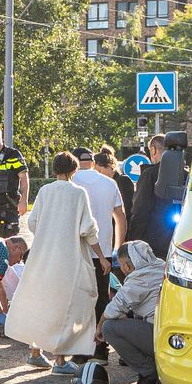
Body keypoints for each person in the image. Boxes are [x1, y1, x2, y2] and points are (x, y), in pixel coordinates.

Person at [6, 151, 110, 374]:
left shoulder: (44, 191)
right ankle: (60, 360)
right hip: (68, 258)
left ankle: (35, 353)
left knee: (42, 303)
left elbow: (33, 222)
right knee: (65, 306)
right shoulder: (78, 193)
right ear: (74, 170)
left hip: (42, 255)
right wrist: (101, 256)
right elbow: (88, 229)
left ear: (54, 170)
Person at [70, 146, 126, 362]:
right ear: (93, 161)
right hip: (103, 253)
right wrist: (117, 249)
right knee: (101, 300)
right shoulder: (109, 183)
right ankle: (100, 349)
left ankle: (79, 351)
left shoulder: (70, 182)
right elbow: (120, 217)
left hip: (76, 252)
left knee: (78, 301)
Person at [96, 240, 165, 384]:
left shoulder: (138, 279)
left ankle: (150, 374)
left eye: (121, 265)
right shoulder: (162, 266)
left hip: (161, 337)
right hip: (176, 336)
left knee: (110, 328)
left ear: (126, 266)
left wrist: (99, 328)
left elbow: (112, 310)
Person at [128, 134, 181, 259]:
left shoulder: (150, 174)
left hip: (154, 243)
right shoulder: (186, 174)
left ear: (153, 150)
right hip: (180, 240)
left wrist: (133, 240)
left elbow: (140, 209)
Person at [98, 146, 134, 215]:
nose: (98, 174)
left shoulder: (123, 181)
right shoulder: (105, 181)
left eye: (99, 171)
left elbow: (127, 207)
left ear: (108, 166)